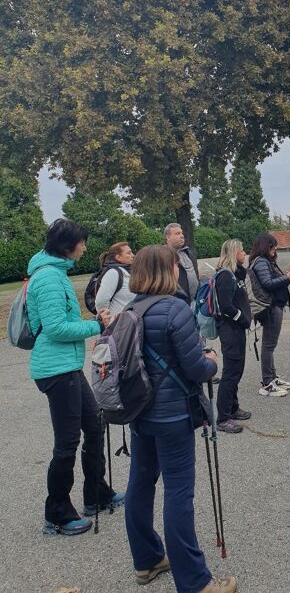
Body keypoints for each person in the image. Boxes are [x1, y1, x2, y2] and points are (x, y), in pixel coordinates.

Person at [124, 245, 236, 592]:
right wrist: (213, 361)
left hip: (139, 412)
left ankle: (147, 560)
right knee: (178, 493)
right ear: (168, 270)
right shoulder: (174, 309)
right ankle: (196, 583)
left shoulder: (131, 309)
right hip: (173, 416)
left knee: (140, 486)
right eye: (175, 266)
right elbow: (196, 367)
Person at [26, 218, 124, 536]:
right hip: (55, 370)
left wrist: (95, 319)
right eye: (81, 242)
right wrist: (97, 326)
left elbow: (62, 319)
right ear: (68, 245)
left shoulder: (56, 274)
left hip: (65, 367)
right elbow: (56, 329)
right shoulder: (49, 279)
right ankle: (57, 514)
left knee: (95, 425)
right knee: (67, 442)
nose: (84, 247)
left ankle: (96, 494)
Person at [249, 234, 290, 397]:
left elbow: (276, 282)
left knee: (270, 344)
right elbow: (268, 284)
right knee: (268, 345)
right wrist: (286, 277)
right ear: (264, 247)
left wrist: (288, 278)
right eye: (272, 246)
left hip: (275, 306)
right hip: (270, 307)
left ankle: (272, 377)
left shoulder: (267, 261)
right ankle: (267, 383)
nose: (275, 249)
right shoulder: (261, 262)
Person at [215, 240, 252, 434]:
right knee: (230, 373)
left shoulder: (235, 273)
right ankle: (223, 417)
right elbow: (226, 306)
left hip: (237, 330)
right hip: (230, 330)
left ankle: (233, 406)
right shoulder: (225, 276)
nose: (244, 253)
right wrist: (242, 319)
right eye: (241, 250)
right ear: (233, 252)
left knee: (237, 370)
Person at [94, 241, 135, 314]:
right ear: (118, 257)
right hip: (117, 322)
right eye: (129, 253)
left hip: (128, 321)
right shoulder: (113, 273)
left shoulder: (128, 271)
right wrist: (108, 318)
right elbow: (101, 301)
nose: (133, 255)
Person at [164, 222, 200, 302]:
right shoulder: (163, 256)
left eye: (182, 233)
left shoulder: (188, 252)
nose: (182, 236)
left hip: (194, 300)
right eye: (177, 233)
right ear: (168, 237)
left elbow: (195, 273)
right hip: (178, 303)